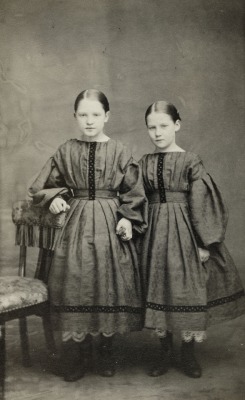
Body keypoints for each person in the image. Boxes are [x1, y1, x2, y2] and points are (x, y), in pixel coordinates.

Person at [28, 89, 147, 382]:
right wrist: (54, 197)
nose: (89, 121)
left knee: (107, 279)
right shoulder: (66, 150)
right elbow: (40, 187)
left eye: (95, 115)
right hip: (75, 223)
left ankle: (106, 349)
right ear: (75, 117)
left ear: (106, 116)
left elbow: (134, 193)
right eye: (83, 115)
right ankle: (78, 353)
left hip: (110, 224)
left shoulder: (120, 151)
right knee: (75, 279)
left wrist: (128, 219)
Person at [139, 100, 245, 378]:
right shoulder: (144, 162)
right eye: (152, 127)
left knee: (186, 288)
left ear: (177, 125)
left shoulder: (190, 160)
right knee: (158, 286)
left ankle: (187, 354)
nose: (158, 133)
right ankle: (164, 352)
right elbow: (136, 197)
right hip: (153, 233)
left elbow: (201, 202)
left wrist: (203, 243)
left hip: (184, 233)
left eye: (163, 126)